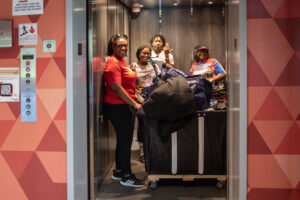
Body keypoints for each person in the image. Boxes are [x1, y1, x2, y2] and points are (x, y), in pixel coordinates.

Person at [103, 34, 144, 187]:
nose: (124, 48)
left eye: (125, 45)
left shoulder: (122, 61)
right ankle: (127, 176)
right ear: (113, 47)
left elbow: (127, 83)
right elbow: (116, 87)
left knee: (123, 139)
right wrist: (134, 104)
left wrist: (136, 97)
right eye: (120, 45)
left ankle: (119, 171)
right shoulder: (113, 63)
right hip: (118, 106)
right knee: (125, 141)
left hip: (123, 105)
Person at [130, 45, 161, 163]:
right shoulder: (133, 66)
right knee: (142, 125)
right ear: (138, 54)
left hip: (152, 99)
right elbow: (130, 84)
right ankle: (142, 151)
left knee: (154, 124)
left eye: (148, 53)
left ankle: (153, 149)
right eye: (143, 53)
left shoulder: (154, 66)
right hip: (139, 99)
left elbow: (159, 81)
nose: (146, 56)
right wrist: (137, 99)